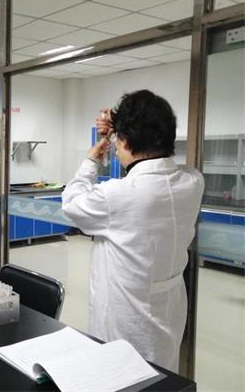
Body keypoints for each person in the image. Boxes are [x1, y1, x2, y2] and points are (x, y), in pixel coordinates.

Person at [62, 89, 204, 372]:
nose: (115, 146)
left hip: (125, 320)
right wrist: (120, 126)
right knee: (162, 375)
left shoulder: (118, 195)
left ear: (126, 140)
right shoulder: (192, 181)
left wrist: (91, 161)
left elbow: (71, 202)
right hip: (168, 313)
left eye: (118, 139)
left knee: (121, 375)